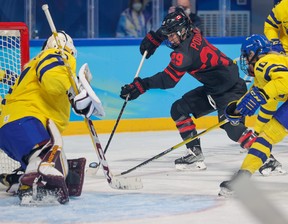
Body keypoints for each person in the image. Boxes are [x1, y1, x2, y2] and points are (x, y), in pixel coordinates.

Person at [120, 8, 264, 171]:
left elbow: (167, 80)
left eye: (172, 34)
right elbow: (176, 20)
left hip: (230, 90)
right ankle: (195, 153)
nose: (170, 38)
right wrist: (156, 37)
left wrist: (141, 86)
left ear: (182, 31)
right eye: (168, 35)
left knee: (232, 129)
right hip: (214, 88)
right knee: (178, 109)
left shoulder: (184, 54)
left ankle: (266, 159)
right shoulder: (193, 31)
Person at [0, 31, 101, 205]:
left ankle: (18, 179)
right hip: (27, 121)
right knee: (48, 159)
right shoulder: (55, 55)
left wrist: (75, 93)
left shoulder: (32, 67)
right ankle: (31, 183)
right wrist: (73, 89)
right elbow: (53, 81)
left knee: (65, 171)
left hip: (12, 127)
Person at [219, 34, 288, 196]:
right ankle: (243, 176)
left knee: (267, 137)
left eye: (246, 56)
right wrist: (235, 110)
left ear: (252, 54)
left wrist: (263, 94)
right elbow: (254, 93)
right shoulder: (265, 69)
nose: (246, 61)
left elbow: (285, 81)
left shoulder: (263, 63)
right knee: (266, 137)